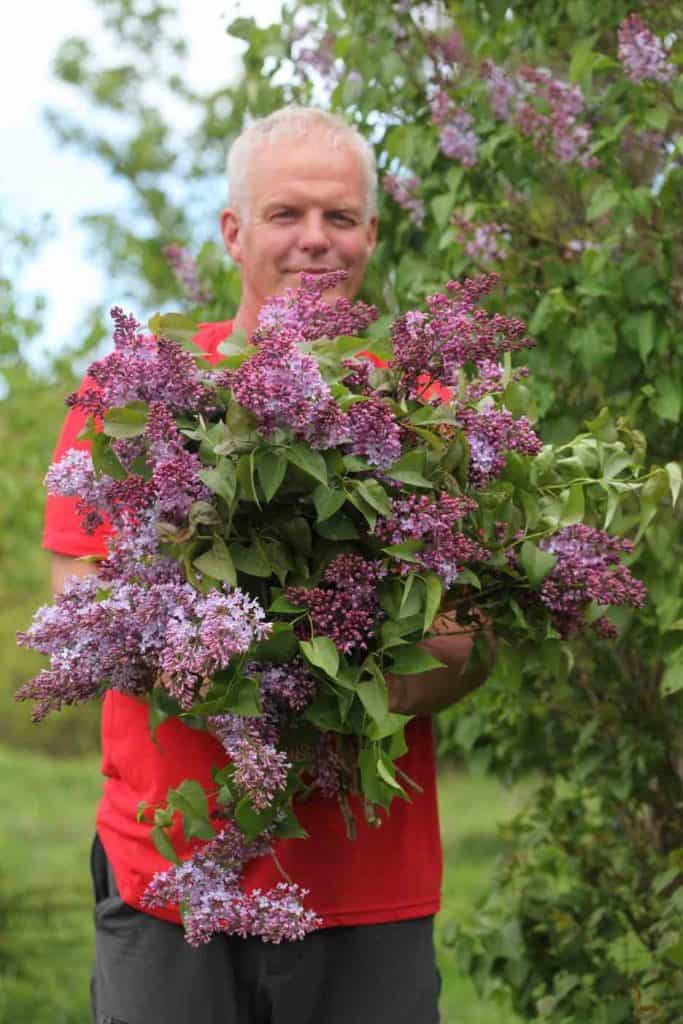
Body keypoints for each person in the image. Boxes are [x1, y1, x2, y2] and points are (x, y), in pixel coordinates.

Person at [44, 107, 491, 1024]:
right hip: (167, 880)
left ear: (371, 232)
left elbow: (465, 644)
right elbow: (81, 615)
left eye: (340, 218)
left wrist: (350, 691)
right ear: (234, 232)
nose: (315, 242)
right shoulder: (133, 398)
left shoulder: (429, 414)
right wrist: (240, 672)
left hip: (364, 882)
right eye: (287, 214)